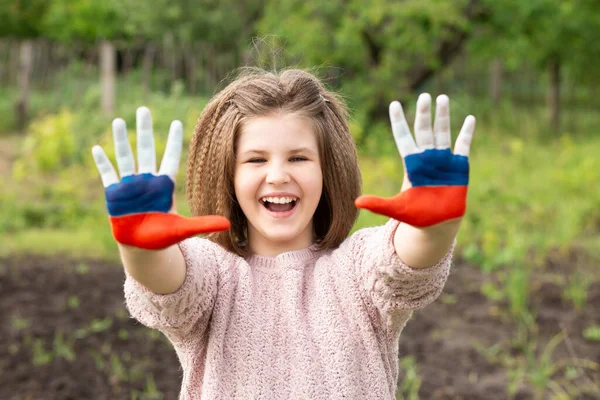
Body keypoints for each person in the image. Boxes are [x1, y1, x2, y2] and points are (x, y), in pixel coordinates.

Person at [91, 68, 475, 399]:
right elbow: (166, 279)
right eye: (256, 159)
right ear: (229, 175)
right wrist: (140, 248)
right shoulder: (215, 275)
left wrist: (433, 226)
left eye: (298, 158)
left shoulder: (356, 271)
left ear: (328, 170)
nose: (278, 175)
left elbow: (405, 261)